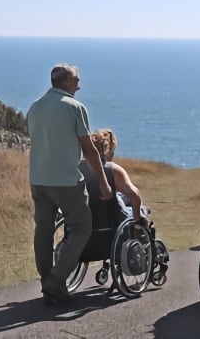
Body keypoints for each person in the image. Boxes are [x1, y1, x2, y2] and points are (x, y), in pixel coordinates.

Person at [26, 64, 112, 305]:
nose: (79, 85)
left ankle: (47, 281)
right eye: (76, 81)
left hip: (38, 179)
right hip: (65, 180)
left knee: (43, 231)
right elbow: (89, 149)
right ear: (65, 83)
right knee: (81, 228)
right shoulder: (75, 108)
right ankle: (57, 280)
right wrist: (104, 184)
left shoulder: (35, 108)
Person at [82, 128, 145, 225]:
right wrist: (137, 218)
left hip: (83, 220)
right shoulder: (113, 170)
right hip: (112, 223)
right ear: (108, 151)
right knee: (143, 210)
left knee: (123, 198)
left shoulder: (78, 168)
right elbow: (134, 195)